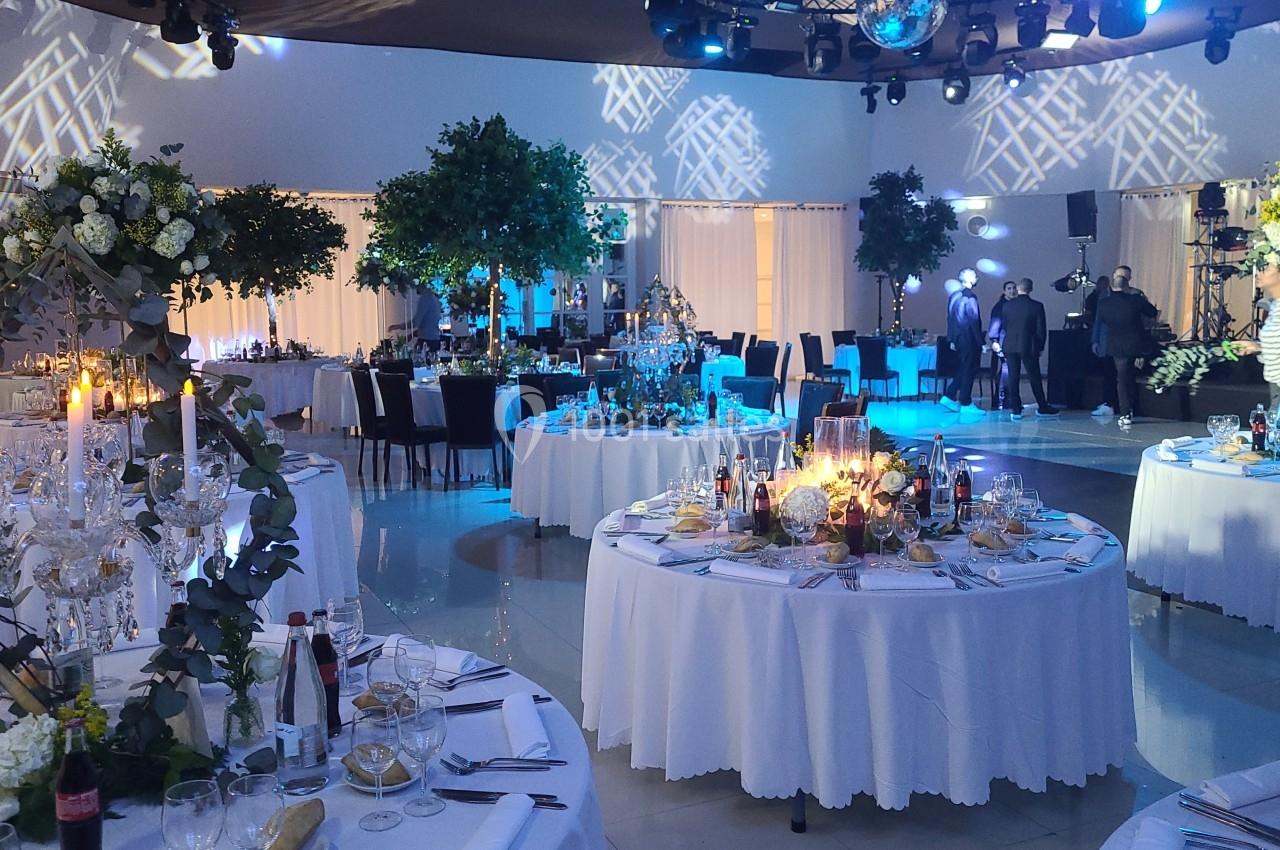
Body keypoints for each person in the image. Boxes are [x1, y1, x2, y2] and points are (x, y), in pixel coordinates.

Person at [1092, 273, 1157, 427]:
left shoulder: (1104, 304)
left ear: (1112, 287)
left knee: (1122, 379)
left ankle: (1126, 413)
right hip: (1138, 344)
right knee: (1133, 374)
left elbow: (1100, 322)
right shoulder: (1135, 300)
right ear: (1127, 286)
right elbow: (1152, 312)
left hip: (1116, 345)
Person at [1000, 278, 1057, 419]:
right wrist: (1040, 346)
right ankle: (1042, 406)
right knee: (1034, 377)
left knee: (1013, 376)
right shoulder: (1036, 306)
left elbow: (1005, 326)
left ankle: (1016, 409)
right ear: (1031, 289)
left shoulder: (1007, 306)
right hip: (1029, 345)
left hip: (1010, 344)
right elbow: (1040, 330)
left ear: (1018, 289)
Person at [1232, 264, 1280, 407]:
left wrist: (1258, 347)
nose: (1259, 273)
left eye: (1266, 269)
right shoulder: (1275, 306)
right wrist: (1256, 347)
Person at [941, 272, 984, 416]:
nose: (977, 278)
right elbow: (973, 321)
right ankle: (965, 401)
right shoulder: (970, 297)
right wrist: (981, 342)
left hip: (958, 339)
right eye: (975, 276)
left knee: (964, 368)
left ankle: (951, 395)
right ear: (970, 280)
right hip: (968, 339)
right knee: (968, 369)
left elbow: (950, 319)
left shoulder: (954, 296)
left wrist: (952, 339)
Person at [987, 280, 1017, 410]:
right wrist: (995, 341)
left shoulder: (1013, 305)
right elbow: (994, 324)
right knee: (1006, 369)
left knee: (1007, 369)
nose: (1012, 291)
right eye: (1009, 288)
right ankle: (1002, 398)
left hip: (1010, 341)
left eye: (1014, 288)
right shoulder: (999, 307)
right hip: (1002, 342)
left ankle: (1004, 398)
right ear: (1004, 291)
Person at [413, 288, 442, 352]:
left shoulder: (425, 298)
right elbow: (427, 322)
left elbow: (416, 322)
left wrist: (399, 326)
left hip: (426, 340)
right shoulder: (434, 299)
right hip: (435, 338)